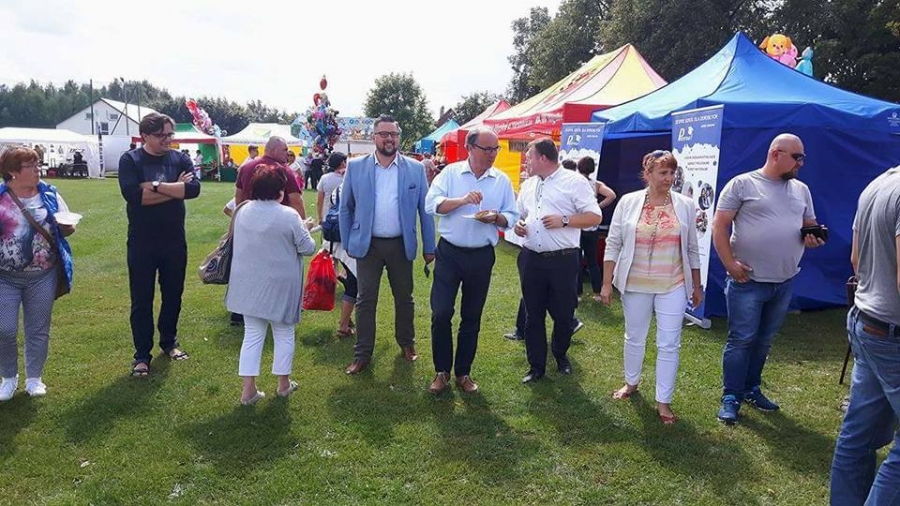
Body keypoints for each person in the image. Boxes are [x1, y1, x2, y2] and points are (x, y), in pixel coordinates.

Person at [712, 133, 825, 424]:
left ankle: (751, 388)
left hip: (784, 280)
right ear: (776, 154)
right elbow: (719, 226)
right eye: (797, 157)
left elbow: (809, 224)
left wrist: (813, 236)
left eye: (802, 158)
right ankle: (731, 396)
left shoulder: (801, 189)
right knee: (741, 340)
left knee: (763, 341)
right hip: (748, 281)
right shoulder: (742, 184)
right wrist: (730, 264)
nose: (801, 163)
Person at [601, 150, 702, 424]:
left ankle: (663, 401)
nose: (669, 178)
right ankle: (631, 382)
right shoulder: (628, 202)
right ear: (647, 174)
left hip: (673, 283)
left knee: (669, 343)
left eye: (672, 173)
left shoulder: (685, 205)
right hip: (635, 283)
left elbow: (692, 248)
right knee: (634, 336)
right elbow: (613, 243)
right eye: (663, 173)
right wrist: (606, 283)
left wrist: (697, 285)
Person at [339, 115, 436, 375]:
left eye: (393, 134)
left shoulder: (415, 169)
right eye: (384, 134)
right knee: (365, 300)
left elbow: (425, 211)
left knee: (404, 298)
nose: (389, 139)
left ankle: (407, 343)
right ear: (374, 137)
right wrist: (347, 241)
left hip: (400, 245)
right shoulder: (356, 167)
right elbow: (346, 208)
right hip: (367, 246)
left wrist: (429, 247)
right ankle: (362, 354)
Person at [424, 128, 517, 394]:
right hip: (449, 253)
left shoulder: (501, 180)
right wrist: (462, 200)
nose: (492, 154)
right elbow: (432, 204)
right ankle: (442, 371)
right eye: (487, 149)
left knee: (472, 315)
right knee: (441, 312)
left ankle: (463, 373)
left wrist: (496, 217)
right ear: (470, 148)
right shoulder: (451, 173)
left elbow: (512, 216)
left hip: (481, 255)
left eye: (495, 149)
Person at [829, 165, 900, 504]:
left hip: (868, 322)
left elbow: (856, 259)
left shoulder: (880, 182)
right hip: (889, 332)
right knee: (860, 435)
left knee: (859, 435)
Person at [225, 165, 317, 405]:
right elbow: (307, 248)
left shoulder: (242, 211)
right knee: (284, 332)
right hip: (280, 284)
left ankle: (248, 390)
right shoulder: (289, 215)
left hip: (248, 282)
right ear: (280, 192)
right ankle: (283, 384)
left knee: (252, 335)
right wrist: (306, 229)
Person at [117, 113, 200, 377]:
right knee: (141, 299)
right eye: (161, 135)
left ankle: (169, 342)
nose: (167, 139)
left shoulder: (180, 158)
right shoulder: (131, 160)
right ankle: (142, 355)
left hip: (174, 241)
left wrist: (153, 186)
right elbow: (134, 196)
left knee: (173, 295)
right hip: (142, 242)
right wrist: (175, 189)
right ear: (145, 136)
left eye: (170, 134)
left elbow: (193, 190)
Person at [514, 138, 602, 383]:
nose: (526, 162)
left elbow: (595, 216)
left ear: (542, 158)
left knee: (563, 315)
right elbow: (522, 214)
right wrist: (519, 225)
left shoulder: (574, 182)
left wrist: (564, 220)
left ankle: (560, 354)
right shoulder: (529, 184)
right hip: (531, 258)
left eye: (529, 156)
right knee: (533, 315)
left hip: (562, 260)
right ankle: (536, 366)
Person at [0, 147, 76, 399]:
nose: (37, 170)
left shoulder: (50, 193)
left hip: (43, 276)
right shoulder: (1, 197)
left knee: (38, 329)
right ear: (12, 172)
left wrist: (67, 227)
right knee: (4, 330)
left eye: (37, 164)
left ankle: (34, 379)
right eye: (31, 166)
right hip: (5, 277)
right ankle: (8, 378)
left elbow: (67, 226)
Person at [235, 136, 307, 219]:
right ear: (274, 151)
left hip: (250, 219)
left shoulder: (245, 168)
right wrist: (303, 223)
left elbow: (238, 197)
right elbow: (296, 202)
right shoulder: (285, 171)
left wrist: (241, 218)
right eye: (285, 150)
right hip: (278, 222)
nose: (287, 153)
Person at [577, 156, 617, 302]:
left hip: (577, 225)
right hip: (592, 227)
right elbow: (612, 195)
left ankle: (578, 293)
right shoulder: (596, 184)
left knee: (577, 260)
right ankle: (597, 292)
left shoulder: (575, 182)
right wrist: (597, 207)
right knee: (592, 261)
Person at [322, 180, 357, 338]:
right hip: (350, 241)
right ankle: (344, 326)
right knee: (356, 284)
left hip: (333, 240)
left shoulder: (338, 188)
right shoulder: (360, 186)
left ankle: (346, 320)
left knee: (353, 280)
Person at [317, 152, 347, 224]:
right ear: (342, 163)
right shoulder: (348, 178)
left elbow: (319, 201)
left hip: (328, 217)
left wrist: (320, 218)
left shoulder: (324, 178)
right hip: (345, 218)